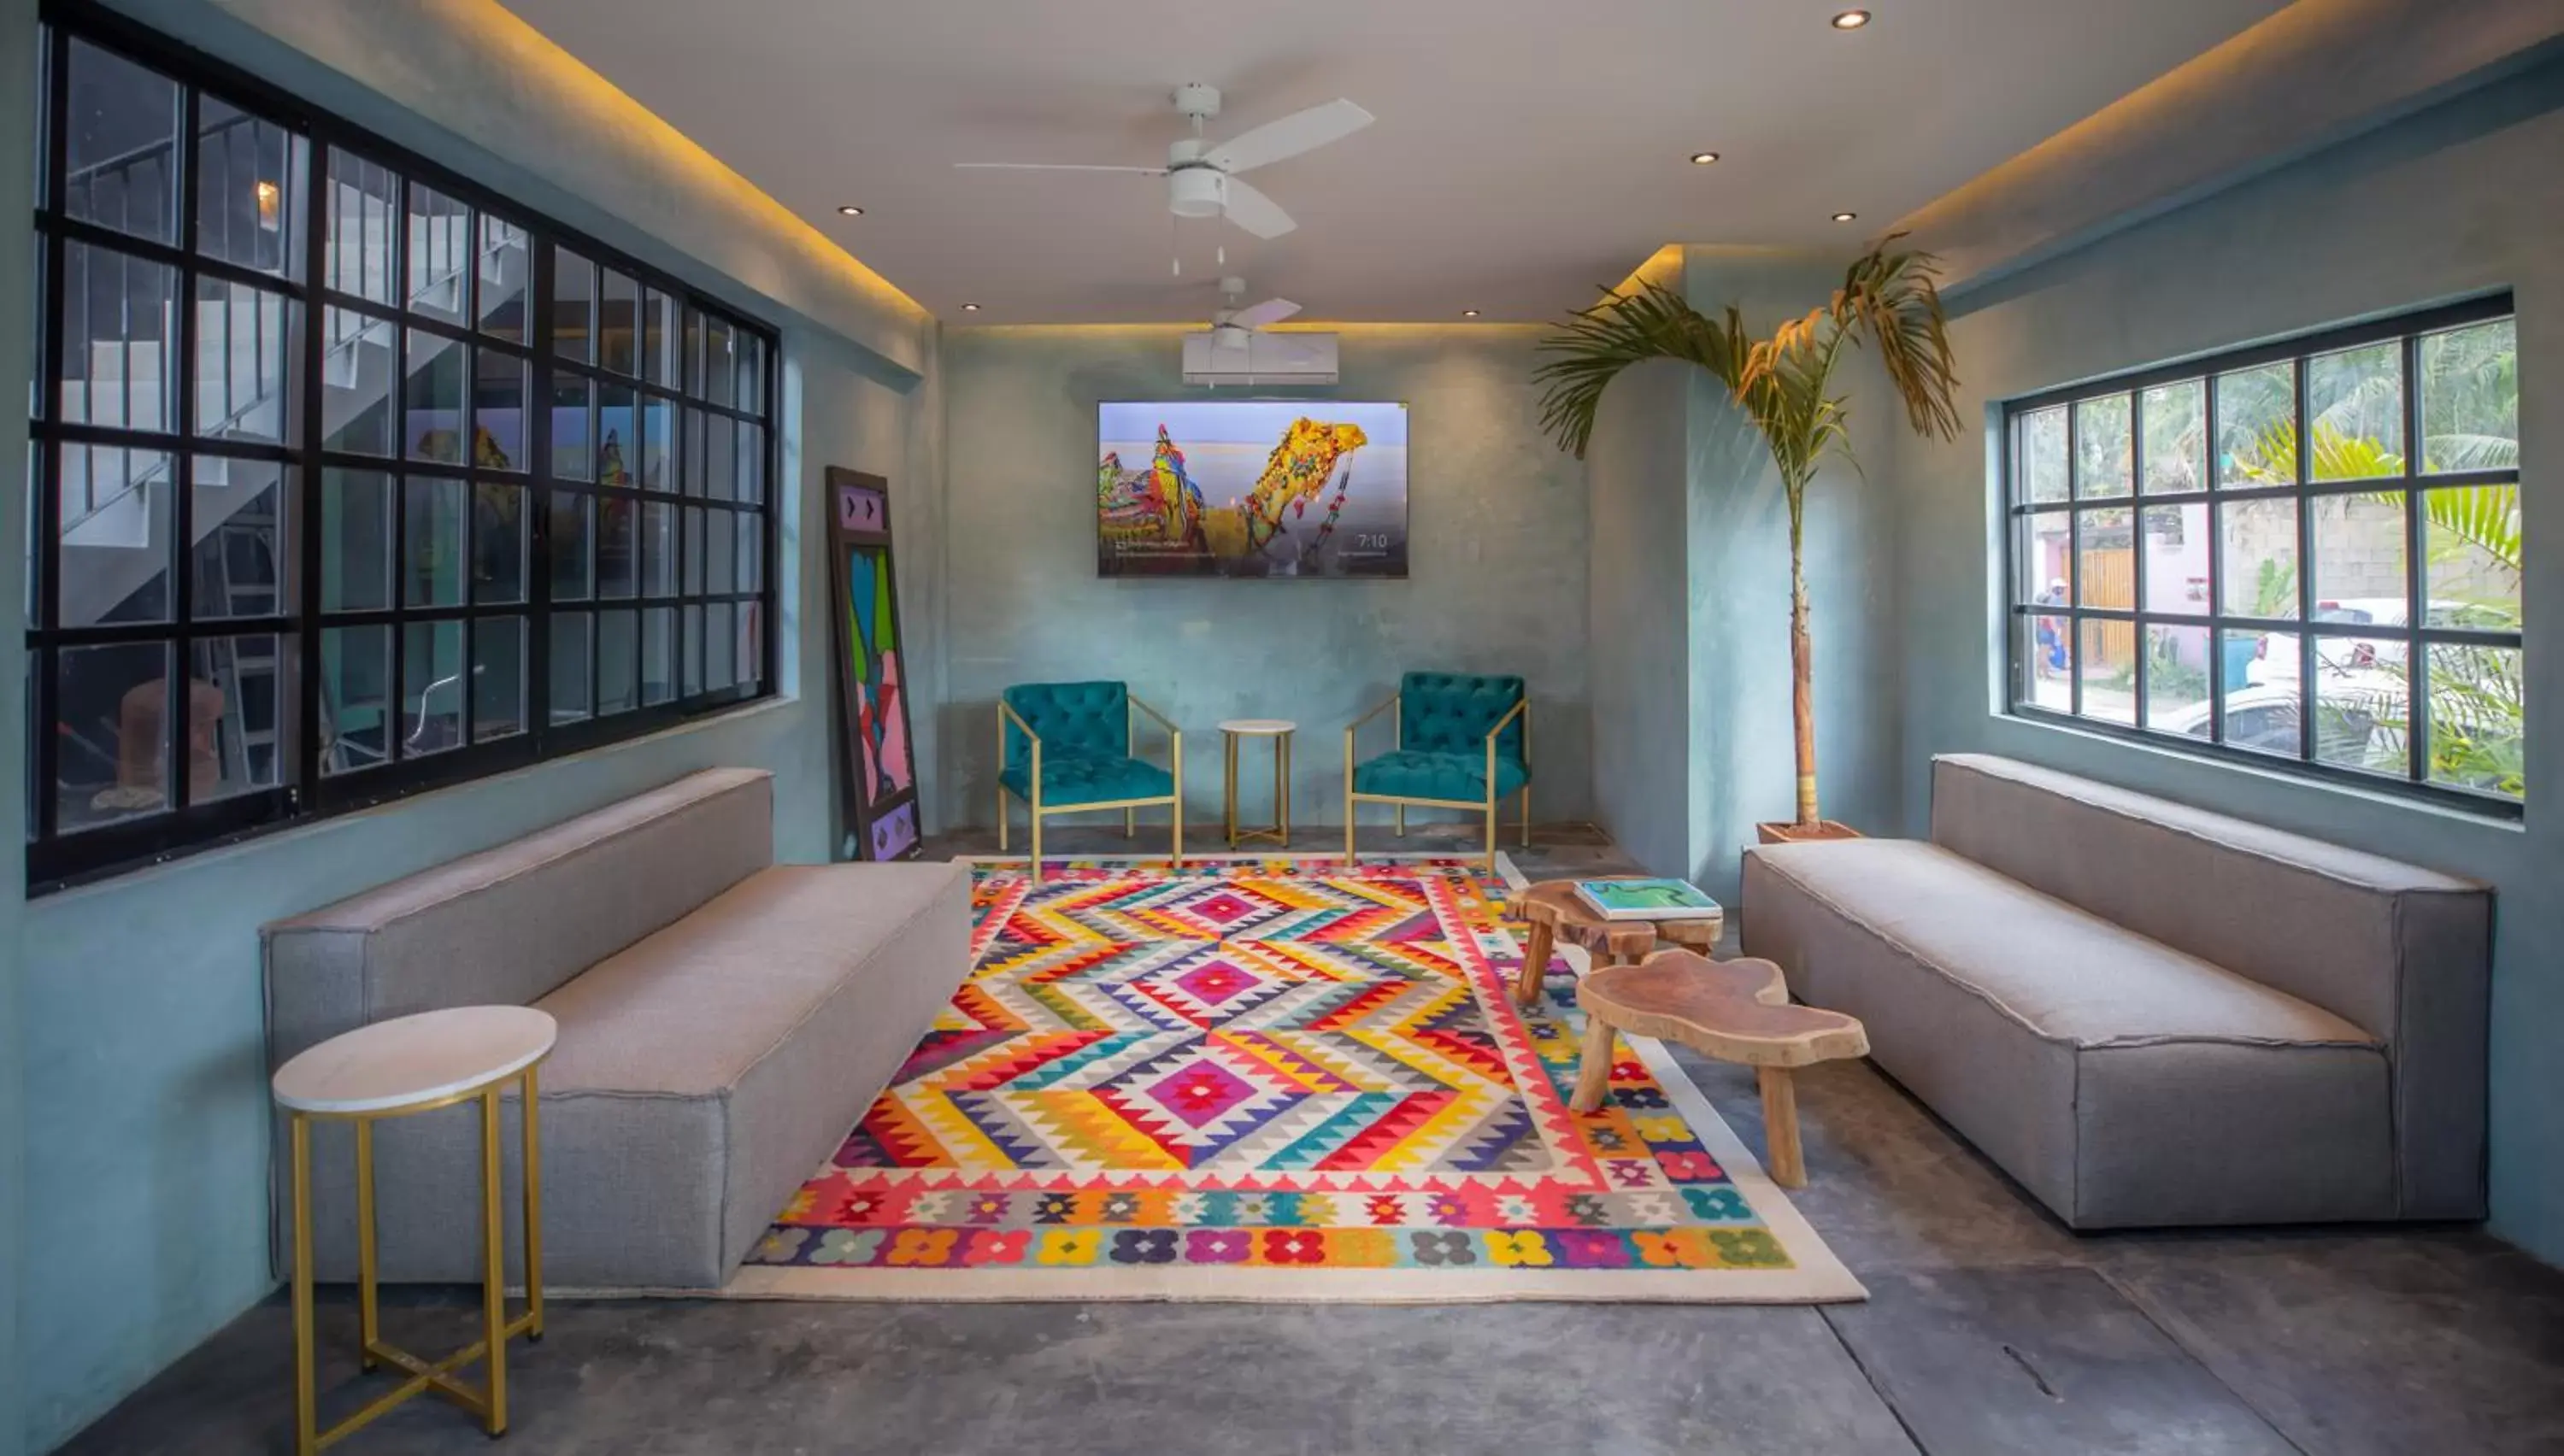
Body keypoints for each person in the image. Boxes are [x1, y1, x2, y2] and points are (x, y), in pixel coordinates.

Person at [2034, 579, 2069, 677]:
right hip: (2047, 629)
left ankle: (2039, 673)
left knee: (2042, 651)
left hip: (2043, 629)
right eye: (2061, 588)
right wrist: (2056, 631)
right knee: (2045, 651)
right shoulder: (2055, 600)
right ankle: (2044, 674)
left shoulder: (2049, 599)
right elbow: (2052, 617)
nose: (2062, 590)